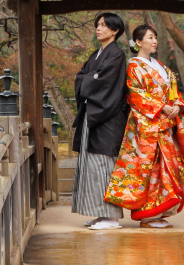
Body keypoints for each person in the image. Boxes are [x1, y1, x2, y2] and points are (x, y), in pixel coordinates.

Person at [104, 24, 184, 228]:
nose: (154, 41)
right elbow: (136, 96)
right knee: (149, 170)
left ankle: (158, 211)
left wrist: (177, 105)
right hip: (148, 126)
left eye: (155, 37)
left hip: (165, 125)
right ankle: (146, 215)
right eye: (150, 38)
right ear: (138, 42)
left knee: (166, 169)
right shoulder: (134, 66)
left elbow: (174, 92)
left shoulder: (162, 66)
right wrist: (162, 108)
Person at [71, 12, 129, 230]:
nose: (99, 28)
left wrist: (90, 78)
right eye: (98, 24)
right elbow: (81, 77)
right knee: (92, 165)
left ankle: (111, 217)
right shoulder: (98, 54)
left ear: (115, 31)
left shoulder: (117, 55)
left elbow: (105, 83)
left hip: (108, 117)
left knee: (104, 164)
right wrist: (90, 78)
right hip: (94, 114)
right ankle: (99, 213)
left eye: (104, 25)